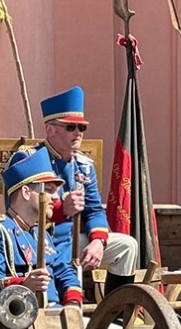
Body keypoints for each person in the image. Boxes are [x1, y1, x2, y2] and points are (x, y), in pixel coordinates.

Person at [9, 87, 139, 294]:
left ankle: (116, 313)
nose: (78, 133)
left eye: (82, 127)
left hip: (71, 242)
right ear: (50, 129)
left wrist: (98, 241)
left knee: (127, 246)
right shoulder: (28, 160)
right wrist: (62, 210)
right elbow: (17, 211)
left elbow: (94, 210)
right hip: (36, 242)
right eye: (70, 127)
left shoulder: (84, 165)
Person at [0, 148, 83, 306]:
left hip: (54, 315)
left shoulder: (42, 234)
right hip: (20, 319)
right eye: (49, 190)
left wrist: (72, 303)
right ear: (26, 192)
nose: (56, 197)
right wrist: (24, 284)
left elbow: (64, 272)